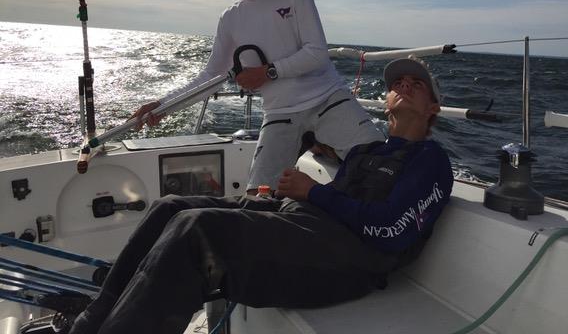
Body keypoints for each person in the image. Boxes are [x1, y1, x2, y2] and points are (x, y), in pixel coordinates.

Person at [68, 57, 453, 334]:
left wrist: (315, 194)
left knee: (197, 230)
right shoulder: (367, 152)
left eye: (415, 85)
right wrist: (290, 196)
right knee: (171, 206)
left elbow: (390, 231)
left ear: (433, 108)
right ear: (385, 102)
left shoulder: (431, 160)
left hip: (352, 265)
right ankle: (90, 322)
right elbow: (336, 201)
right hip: (314, 232)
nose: (403, 85)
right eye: (397, 83)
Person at [131, 0, 384, 192]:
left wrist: (266, 72)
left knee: (382, 167)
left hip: (328, 99)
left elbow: (317, 53)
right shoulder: (231, 18)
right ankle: (323, 148)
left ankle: (326, 147)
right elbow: (212, 77)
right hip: (280, 113)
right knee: (258, 197)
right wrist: (162, 106)